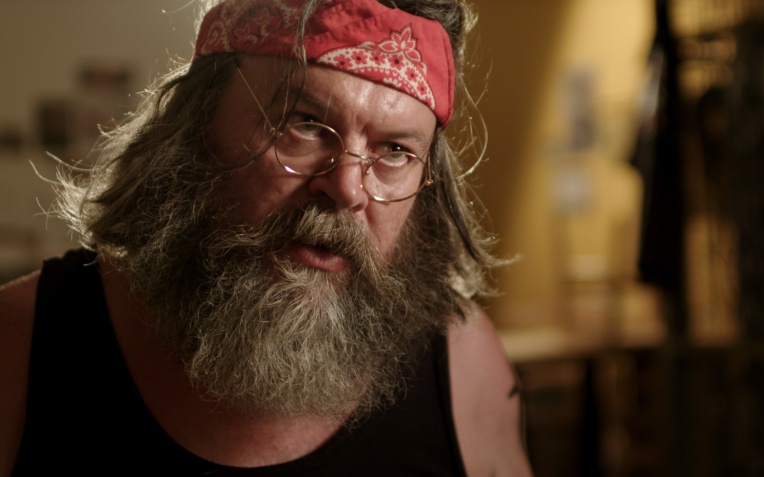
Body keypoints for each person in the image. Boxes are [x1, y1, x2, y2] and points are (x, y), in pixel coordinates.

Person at [0, 0, 533, 475]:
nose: (347, 188)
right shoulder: (20, 343)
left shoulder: (463, 365)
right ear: (194, 131)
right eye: (304, 123)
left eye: (395, 151)